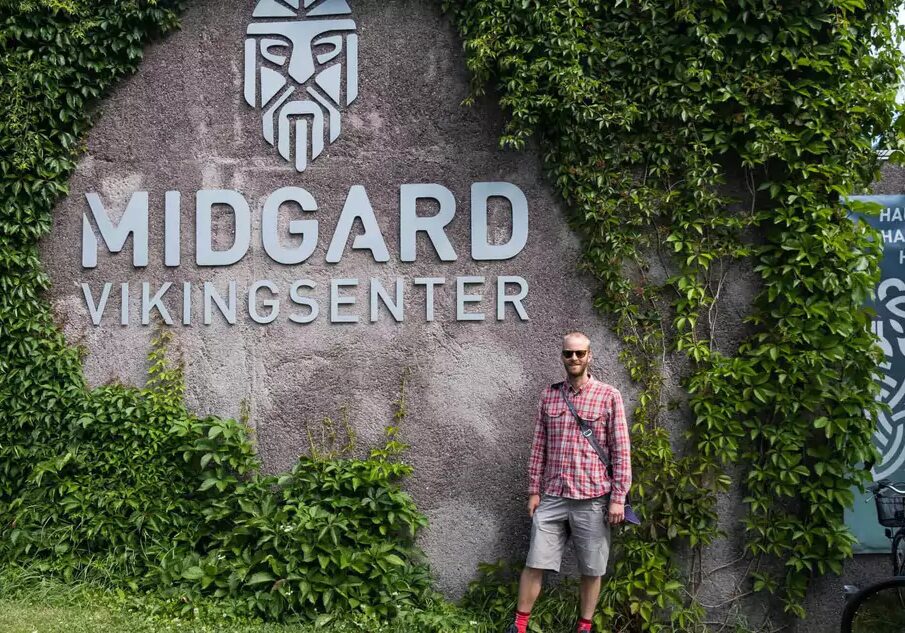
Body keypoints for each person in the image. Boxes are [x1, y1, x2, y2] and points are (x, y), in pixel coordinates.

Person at [506, 331, 632, 633]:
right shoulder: (549, 395)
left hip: (593, 498)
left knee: (592, 568)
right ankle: (520, 627)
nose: (574, 358)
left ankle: (584, 627)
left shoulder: (608, 395)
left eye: (579, 353)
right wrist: (534, 490)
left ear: (589, 356)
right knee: (535, 562)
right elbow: (539, 446)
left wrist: (618, 497)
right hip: (553, 496)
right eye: (568, 354)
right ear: (562, 356)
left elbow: (621, 448)